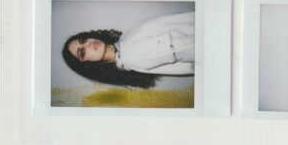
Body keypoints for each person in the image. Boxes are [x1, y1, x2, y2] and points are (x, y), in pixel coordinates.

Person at [62, 11, 195, 89]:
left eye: (83, 40)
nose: (88, 44)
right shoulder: (130, 55)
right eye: (82, 52)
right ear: (87, 64)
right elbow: (190, 47)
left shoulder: (125, 41)